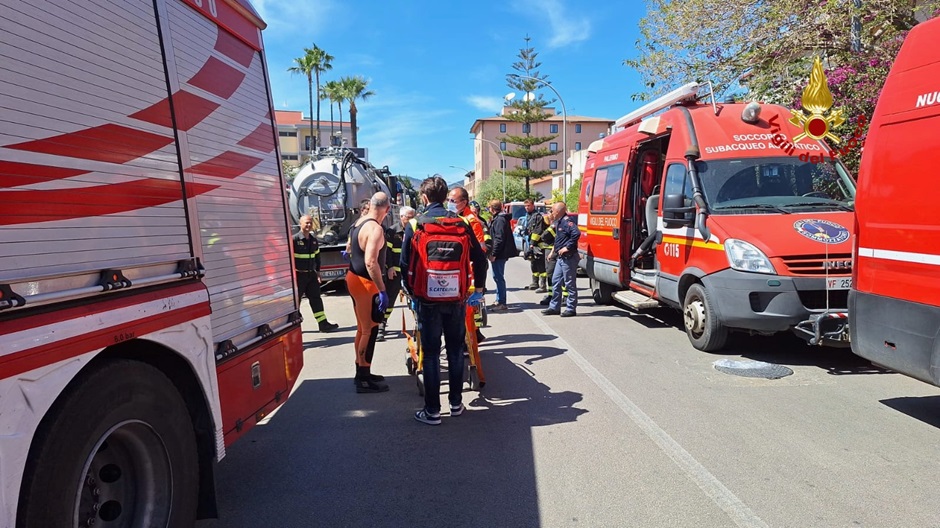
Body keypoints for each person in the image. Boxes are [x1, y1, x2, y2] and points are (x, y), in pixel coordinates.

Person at [402, 176, 487, 425]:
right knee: (455, 351)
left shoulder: (416, 224)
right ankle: (456, 404)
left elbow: (404, 264)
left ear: (424, 198)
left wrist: (413, 292)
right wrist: (478, 290)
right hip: (457, 298)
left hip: (427, 300)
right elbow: (480, 259)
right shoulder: (462, 222)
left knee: (430, 354)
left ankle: (432, 411)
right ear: (445, 197)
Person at [346, 192, 392, 393]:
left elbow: (350, 248)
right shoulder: (375, 229)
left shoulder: (359, 222)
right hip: (365, 283)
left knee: (361, 328)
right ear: (387, 209)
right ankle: (364, 378)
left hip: (353, 278)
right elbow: (371, 262)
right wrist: (382, 290)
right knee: (370, 329)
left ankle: (361, 369)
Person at [447, 187, 491, 342]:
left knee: (470, 309)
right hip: (462, 269)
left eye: (453, 200)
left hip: (471, 270)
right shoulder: (459, 217)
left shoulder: (471, 220)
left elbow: (479, 250)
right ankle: (472, 336)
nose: (449, 203)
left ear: (464, 202)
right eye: (448, 200)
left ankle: (472, 337)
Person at [293, 215, 339, 332]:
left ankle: (323, 324)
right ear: (300, 223)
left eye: (310, 223)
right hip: (298, 276)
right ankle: (294, 326)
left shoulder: (313, 240)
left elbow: (317, 257)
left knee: (316, 299)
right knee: (296, 302)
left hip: (311, 276)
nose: (309, 225)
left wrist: (318, 272)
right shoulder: (294, 240)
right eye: (306, 223)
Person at [377, 205, 415, 341]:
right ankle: (381, 325)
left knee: (415, 300)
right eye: (408, 217)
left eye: (413, 217)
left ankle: (420, 326)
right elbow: (386, 252)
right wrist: (390, 267)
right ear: (401, 217)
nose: (411, 220)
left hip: (410, 273)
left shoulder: (416, 229)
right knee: (389, 300)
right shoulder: (392, 232)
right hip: (395, 272)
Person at [541, 202, 581, 318]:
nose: (551, 213)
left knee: (569, 283)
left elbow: (576, 233)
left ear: (558, 211)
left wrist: (567, 247)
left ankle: (571, 308)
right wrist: (552, 252)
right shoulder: (558, 222)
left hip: (569, 257)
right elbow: (559, 239)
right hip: (560, 257)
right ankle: (554, 307)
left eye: (552, 210)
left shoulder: (567, 222)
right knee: (556, 281)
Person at [487, 199, 516, 311]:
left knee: (499, 277)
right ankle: (498, 300)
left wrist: (494, 254)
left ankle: (502, 302)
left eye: (489, 207)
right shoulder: (499, 219)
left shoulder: (499, 220)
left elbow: (499, 239)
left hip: (499, 254)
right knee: (497, 277)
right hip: (500, 253)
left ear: (492, 208)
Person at [521, 199, 545, 290]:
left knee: (540, 264)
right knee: (533, 263)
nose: (526, 207)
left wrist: (532, 243)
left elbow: (538, 231)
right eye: (525, 206)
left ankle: (543, 285)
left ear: (533, 206)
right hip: (530, 244)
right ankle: (535, 283)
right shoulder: (527, 216)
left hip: (538, 245)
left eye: (528, 206)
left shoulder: (538, 216)